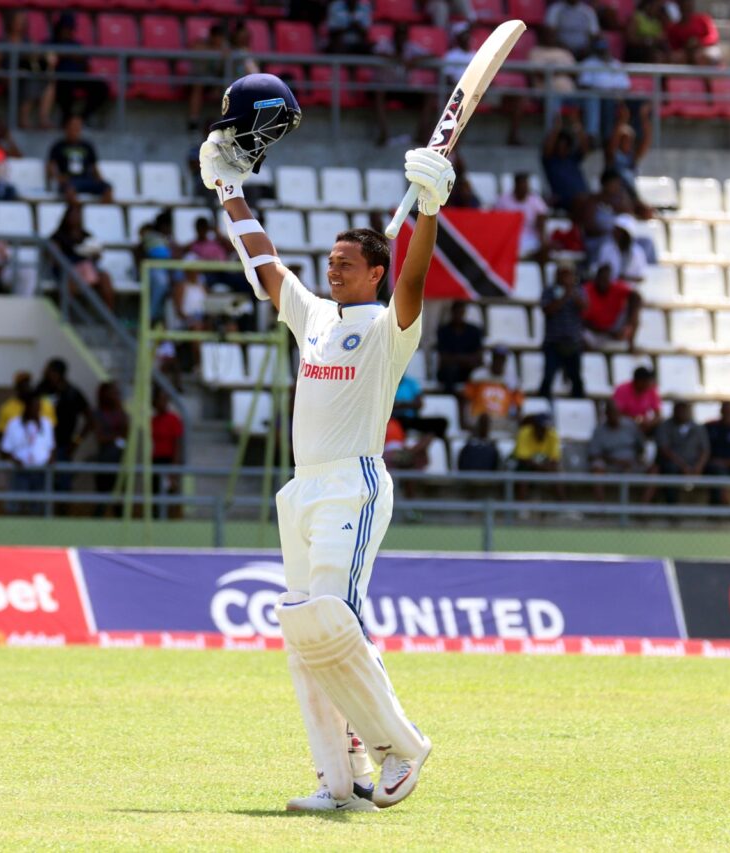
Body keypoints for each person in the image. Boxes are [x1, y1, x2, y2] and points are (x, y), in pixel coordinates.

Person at [198, 73, 445, 811]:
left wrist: (429, 207)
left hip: (354, 484)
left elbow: (416, 280)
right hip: (302, 489)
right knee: (302, 632)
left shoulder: (387, 327)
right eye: (331, 260)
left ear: (375, 270)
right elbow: (264, 264)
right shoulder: (310, 314)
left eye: (346, 262)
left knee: (332, 620)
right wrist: (227, 191)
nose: (332, 266)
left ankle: (400, 745)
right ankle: (336, 780)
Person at [36, 357, 90, 507]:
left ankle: (62, 518)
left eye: (49, 371)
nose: (45, 373)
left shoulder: (72, 393)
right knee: (40, 487)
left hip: (63, 447)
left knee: (62, 487)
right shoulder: (41, 390)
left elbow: (90, 420)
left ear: (58, 373)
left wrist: (76, 441)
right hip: (41, 448)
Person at [372, 24, 434, 147]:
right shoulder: (385, 44)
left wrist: (415, 60)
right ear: (394, 36)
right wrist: (395, 58)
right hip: (386, 87)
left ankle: (421, 134)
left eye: (403, 35)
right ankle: (384, 133)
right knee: (378, 94)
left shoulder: (410, 47)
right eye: (399, 35)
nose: (401, 38)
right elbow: (375, 53)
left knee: (429, 96)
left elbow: (432, 55)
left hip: (405, 88)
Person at [0, 10, 55, 129]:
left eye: (23, 21)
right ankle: (23, 119)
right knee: (28, 79)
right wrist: (3, 76)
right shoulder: (3, 41)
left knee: (48, 80)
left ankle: (43, 117)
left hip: (26, 74)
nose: (20, 23)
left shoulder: (28, 42)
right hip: (9, 76)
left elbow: (39, 57)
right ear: (11, 22)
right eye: (18, 20)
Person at [51, 203, 116, 311]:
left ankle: (110, 317)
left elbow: (97, 256)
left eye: (78, 215)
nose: (76, 218)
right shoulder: (58, 236)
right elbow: (55, 257)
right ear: (66, 216)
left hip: (87, 270)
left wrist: (94, 253)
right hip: (67, 270)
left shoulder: (86, 235)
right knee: (70, 281)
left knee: (105, 277)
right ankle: (66, 318)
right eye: (73, 215)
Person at [0, 391, 55, 516]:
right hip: (20, 472)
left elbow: (51, 448)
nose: (36, 410)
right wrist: (15, 460)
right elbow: (5, 450)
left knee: (38, 507)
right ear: (27, 406)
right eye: (34, 406)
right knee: (16, 507)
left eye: (38, 407)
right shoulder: (14, 424)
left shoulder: (46, 424)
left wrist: (50, 459)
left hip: (40, 472)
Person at [47, 11, 109, 122]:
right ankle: (68, 119)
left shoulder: (76, 44)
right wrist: (64, 55)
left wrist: (80, 60)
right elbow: (43, 57)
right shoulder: (51, 42)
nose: (68, 31)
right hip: (60, 78)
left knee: (101, 87)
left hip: (78, 77)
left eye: (70, 29)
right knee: (65, 86)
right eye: (65, 28)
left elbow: (86, 63)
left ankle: (81, 119)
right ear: (59, 28)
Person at [540, 262, 586, 399]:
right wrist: (565, 296)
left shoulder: (578, 291)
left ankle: (578, 406)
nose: (566, 278)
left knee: (576, 378)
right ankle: (543, 404)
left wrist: (571, 292)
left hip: (573, 343)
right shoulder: (549, 291)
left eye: (569, 274)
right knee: (548, 377)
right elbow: (548, 310)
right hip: (553, 343)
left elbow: (584, 308)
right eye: (563, 274)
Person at [651, 401, 709, 504]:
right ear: (674, 411)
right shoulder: (665, 426)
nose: (682, 413)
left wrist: (699, 467)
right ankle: (672, 507)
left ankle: (716, 512)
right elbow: (664, 450)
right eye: (680, 410)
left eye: (685, 410)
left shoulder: (698, 428)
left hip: (693, 464)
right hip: (673, 464)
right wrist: (683, 466)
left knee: (714, 469)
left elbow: (705, 450)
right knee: (669, 469)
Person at [588, 399, 647, 501]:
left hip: (631, 463)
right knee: (597, 467)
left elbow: (641, 447)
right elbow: (593, 454)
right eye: (611, 412)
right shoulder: (599, 430)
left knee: (654, 469)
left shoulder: (631, 425)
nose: (614, 415)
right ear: (606, 414)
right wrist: (616, 461)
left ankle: (643, 508)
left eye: (616, 412)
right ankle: (601, 507)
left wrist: (636, 460)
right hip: (610, 464)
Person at [577, 37, 631, 144]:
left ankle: (610, 138)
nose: (603, 52)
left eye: (605, 49)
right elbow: (584, 85)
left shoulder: (616, 64)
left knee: (615, 101)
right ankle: (596, 136)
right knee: (598, 100)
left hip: (615, 96)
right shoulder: (589, 63)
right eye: (600, 50)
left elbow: (625, 86)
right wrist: (603, 90)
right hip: (596, 95)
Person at [46, 115, 113, 202]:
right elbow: (51, 165)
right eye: (73, 126)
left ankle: (101, 214)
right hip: (69, 180)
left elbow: (93, 166)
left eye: (78, 126)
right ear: (66, 128)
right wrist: (58, 177)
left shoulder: (87, 146)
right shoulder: (58, 146)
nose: (76, 129)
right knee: (69, 191)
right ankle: (75, 214)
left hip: (86, 179)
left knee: (108, 188)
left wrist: (99, 179)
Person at [582, 263, 641, 351]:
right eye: (600, 279)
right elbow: (583, 321)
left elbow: (636, 297)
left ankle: (631, 344)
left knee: (633, 311)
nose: (603, 283)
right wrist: (607, 332)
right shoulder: (586, 289)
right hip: (594, 331)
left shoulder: (616, 287)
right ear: (596, 279)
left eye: (605, 280)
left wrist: (628, 323)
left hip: (613, 328)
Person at [90, 379, 128, 517]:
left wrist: (120, 407)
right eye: (113, 392)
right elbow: (100, 438)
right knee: (102, 499)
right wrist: (117, 437)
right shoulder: (98, 414)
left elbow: (127, 432)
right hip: (105, 460)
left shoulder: (119, 412)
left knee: (120, 500)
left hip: (120, 461)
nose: (115, 395)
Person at [463, 346, 523, 431]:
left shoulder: (512, 380)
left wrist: (517, 416)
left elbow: (518, 403)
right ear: (492, 358)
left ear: (505, 360)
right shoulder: (478, 375)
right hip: (479, 418)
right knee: (484, 419)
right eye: (497, 358)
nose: (499, 361)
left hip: (503, 419)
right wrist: (464, 421)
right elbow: (467, 398)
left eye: (502, 359)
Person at [0, 371, 56, 453]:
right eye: (22, 384)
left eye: (28, 383)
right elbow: (0, 434)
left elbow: (51, 433)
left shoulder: (45, 405)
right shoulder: (7, 408)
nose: (26, 387)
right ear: (17, 387)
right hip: (18, 457)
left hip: (41, 457)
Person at [494, 173, 549, 264]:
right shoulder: (503, 200)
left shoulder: (535, 200)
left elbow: (542, 218)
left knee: (545, 248)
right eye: (521, 184)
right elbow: (496, 221)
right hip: (509, 238)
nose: (524, 187)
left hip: (531, 238)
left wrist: (543, 238)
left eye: (525, 184)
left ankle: (542, 274)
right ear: (516, 185)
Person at [542, 112, 590, 213]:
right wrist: (556, 129)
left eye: (565, 146)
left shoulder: (573, 159)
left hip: (584, 198)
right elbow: (547, 148)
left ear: (569, 147)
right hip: (564, 201)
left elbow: (585, 148)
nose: (561, 149)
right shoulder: (550, 161)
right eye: (559, 145)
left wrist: (577, 125)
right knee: (583, 201)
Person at [606, 102, 653, 202]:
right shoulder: (612, 156)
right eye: (624, 139)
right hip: (615, 195)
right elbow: (613, 139)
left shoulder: (633, 156)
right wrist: (623, 119)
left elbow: (647, 140)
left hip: (630, 194)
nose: (627, 142)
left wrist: (644, 118)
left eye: (629, 140)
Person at [188, 23, 230, 132]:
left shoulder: (225, 48)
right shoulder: (201, 45)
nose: (219, 40)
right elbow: (195, 53)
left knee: (230, 88)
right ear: (212, 36)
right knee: (198, 85)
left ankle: (229, 120)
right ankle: (194, 120)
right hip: (200, 79)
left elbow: (224, 69)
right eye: (217, 36)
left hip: (217, 81)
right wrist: (214, 52)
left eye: (221, 37)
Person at [511, 411, 562, 501]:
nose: (544, 430)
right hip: (524, 465)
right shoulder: (524, 433)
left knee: (556, 473)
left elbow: (554, 460)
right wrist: (543, 467)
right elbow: (524, 459)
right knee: (524, 474)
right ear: (534, 426)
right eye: (541, 427)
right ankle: (521, 507)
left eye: (546, 428)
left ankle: (564, 507)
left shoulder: (552, 434)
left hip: (543, 465)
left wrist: (545, 467)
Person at [150, 386, 184, 519]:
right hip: (155, 460)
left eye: (165, 400)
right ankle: (156, 518)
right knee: (155, 492)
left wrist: (174, 465)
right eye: (160, 399)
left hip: (168, 460)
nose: (163, 403)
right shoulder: (153, 420)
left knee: (168, 491)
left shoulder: (173, 419)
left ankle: (168, 519)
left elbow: (177, 443)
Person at [436, 300, 484, 393]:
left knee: (479, 373)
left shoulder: (474, 331)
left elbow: (478, 357)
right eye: (456, 312)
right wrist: (465, 359)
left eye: (461, 311)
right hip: (450, 372)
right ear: (452, 312)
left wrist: (457, 359)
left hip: (468, 370)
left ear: (464, 312)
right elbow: (443, 358)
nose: (458, 314)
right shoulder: (444, 331)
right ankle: (451, 401)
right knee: (450, 370)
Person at [594, 212, 649, 284]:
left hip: (630, 291)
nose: (615, 233)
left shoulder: (638, 252)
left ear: (627, 234)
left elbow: (641, 278)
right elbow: (600, 273)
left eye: (620, 231)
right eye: (615, 230)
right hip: (610, 290)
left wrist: (625, 278)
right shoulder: (606, 248)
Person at [392, 374, 449, 442]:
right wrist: (409, 404)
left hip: (411, 419)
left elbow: (420, 404)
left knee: (441, 422)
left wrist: (401, 404)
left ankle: (417, 448)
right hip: (395, 420)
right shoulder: (388, 383)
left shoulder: (410, 382)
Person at [667, 0, 722, 66]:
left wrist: (699, 42)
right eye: (683, 5)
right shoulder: (674, 27)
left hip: (705, 48)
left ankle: (709, 76)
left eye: (688, 5)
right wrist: (686, 47)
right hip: (685, 51)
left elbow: (714, 37)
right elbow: (674, 45)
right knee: (676, 58)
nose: (686, 8)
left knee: (706, 56)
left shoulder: (703, 19)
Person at [613, 365, 661, 434]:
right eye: (645, 381)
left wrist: (650, 423)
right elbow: (616, 414)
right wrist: (635, 420)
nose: (648, 384)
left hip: (644, 426)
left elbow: (658, 415)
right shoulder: (622, 390)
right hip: (625, 425)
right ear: (638, 381)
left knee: (661, 428)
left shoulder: (651, 389)